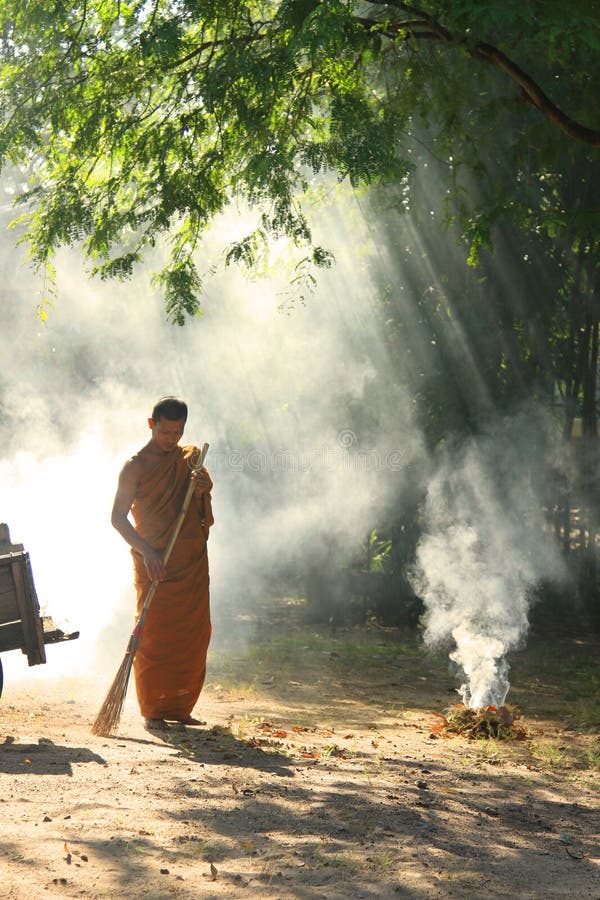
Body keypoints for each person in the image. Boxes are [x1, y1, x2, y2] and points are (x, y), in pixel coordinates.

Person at [111, 397, 213, 731]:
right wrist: (147, 552)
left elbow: (199, 510)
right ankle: (153, 710)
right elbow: (117, 519)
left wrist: (200, 489)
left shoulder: (189, 459)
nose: (172, 438)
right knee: (154, 636)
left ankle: (181, 707)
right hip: (154, 561)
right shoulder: (135, 466)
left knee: (192, 634)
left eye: (178, 432)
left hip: (188, 559)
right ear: (151, 425)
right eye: (166, 431)